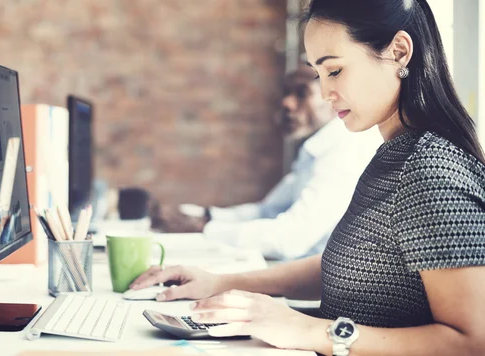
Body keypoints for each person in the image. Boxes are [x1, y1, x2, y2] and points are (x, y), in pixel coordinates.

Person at [131, 0, 485, 354]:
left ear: (398, 52)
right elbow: (349, 265)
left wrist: (308, 330)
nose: (325, 93)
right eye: (318, 74)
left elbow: (470, 343)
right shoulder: (393, 155)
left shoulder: (433, 169)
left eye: (334, 71)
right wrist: (222, 283)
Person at [154, 67, 382, 260]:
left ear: (334, 98)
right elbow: (268, 211)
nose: (287, 103)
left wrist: (202, 228)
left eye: (301, 93)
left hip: (318, 291)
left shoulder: (347, 150)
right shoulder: (317, 148)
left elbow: (291, 239)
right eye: (286, 93)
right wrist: (200, 215)